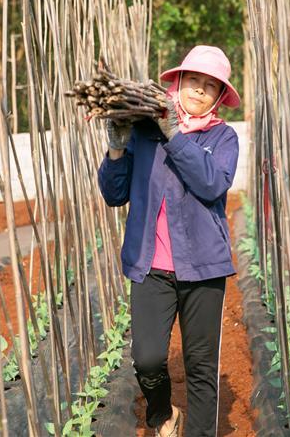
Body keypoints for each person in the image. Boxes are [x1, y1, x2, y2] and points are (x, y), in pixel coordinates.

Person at [97, 45, 241, 437]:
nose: (199, 90)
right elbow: (114, 194)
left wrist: (175, 134)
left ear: (219, 97)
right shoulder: (144, 132)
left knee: (200, 365)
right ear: (177, 82)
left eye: (210, 86)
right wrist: (116, 148)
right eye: (193, 80)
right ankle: (162, 414)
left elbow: (212, 183)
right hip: (151, 266)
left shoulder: (223, 138)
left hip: (204, 269)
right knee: (146, 358)